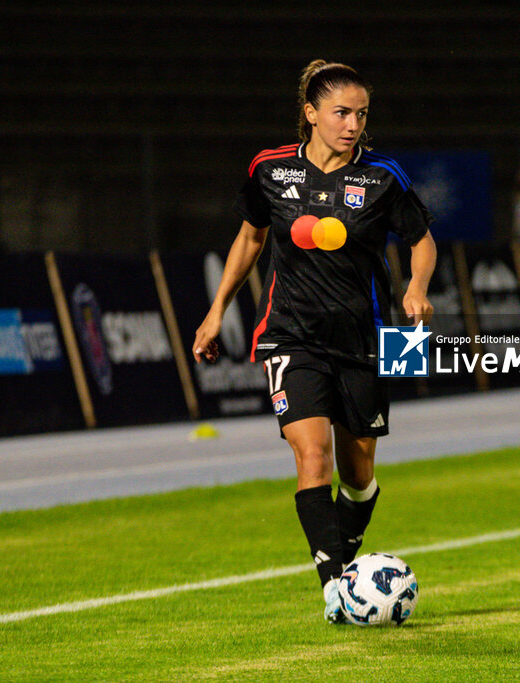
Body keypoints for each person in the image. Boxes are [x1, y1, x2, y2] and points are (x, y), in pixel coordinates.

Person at [192, 59, 436, 624]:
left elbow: (423, 240)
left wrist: (418, 289)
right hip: (288, 334)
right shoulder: (269, 169)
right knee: (311, 454)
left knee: (360, 475)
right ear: (311, 113)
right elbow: (250, 238)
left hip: (369, 338)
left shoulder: (384, 175)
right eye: (341, 112)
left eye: (361, 114)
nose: (353, 124)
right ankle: (335, 590)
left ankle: (345, 563)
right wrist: (214, 312)